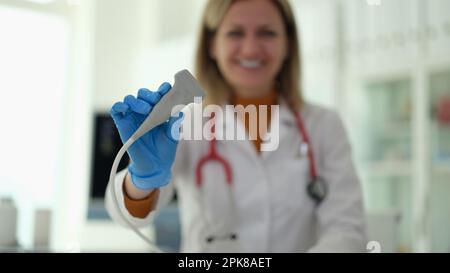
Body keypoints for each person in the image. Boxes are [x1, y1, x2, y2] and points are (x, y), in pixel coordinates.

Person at [105, 0, 366, 252]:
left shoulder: (323, 125)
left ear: (288, 45)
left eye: (267, 33)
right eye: (235, 33)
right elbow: (127, 216)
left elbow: (346, 231)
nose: (251, 49)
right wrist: (142, 180)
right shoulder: (186, 122)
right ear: (212, 45)